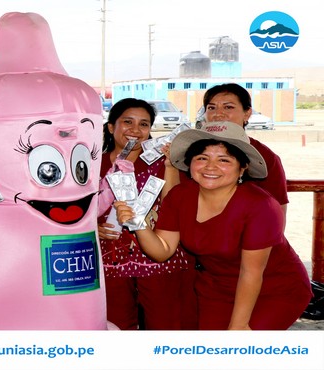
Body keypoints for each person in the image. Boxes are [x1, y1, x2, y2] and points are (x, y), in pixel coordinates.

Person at [114, 121, 312, 330]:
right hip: (216, 288)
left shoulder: (261, 205)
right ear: (190, 164)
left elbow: (251, 273)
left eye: (224, 160)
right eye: (202, 158)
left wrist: (238, 327)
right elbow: (162, 251)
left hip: (274, 288)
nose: (210, 167)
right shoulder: (180, 196)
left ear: (242, 168)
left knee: (241, 353)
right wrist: (138, 223)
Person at [98, 98, 192, 330]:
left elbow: (172, 204)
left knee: (164, 326)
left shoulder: (162, 161)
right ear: (111, 127)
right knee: (116, 326)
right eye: (127, 122)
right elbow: (78, 208)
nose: (135, 130)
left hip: (157, 256)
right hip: (110, 260)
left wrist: (171, 166)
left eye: (144, 124)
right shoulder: (92, 164)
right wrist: (92, 227)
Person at [202, 83, 289, 216]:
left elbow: (277, 212)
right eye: (211, 108)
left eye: (228, 107)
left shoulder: (266, 157)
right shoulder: (191, 151)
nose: (218, 114)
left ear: (247, 113)